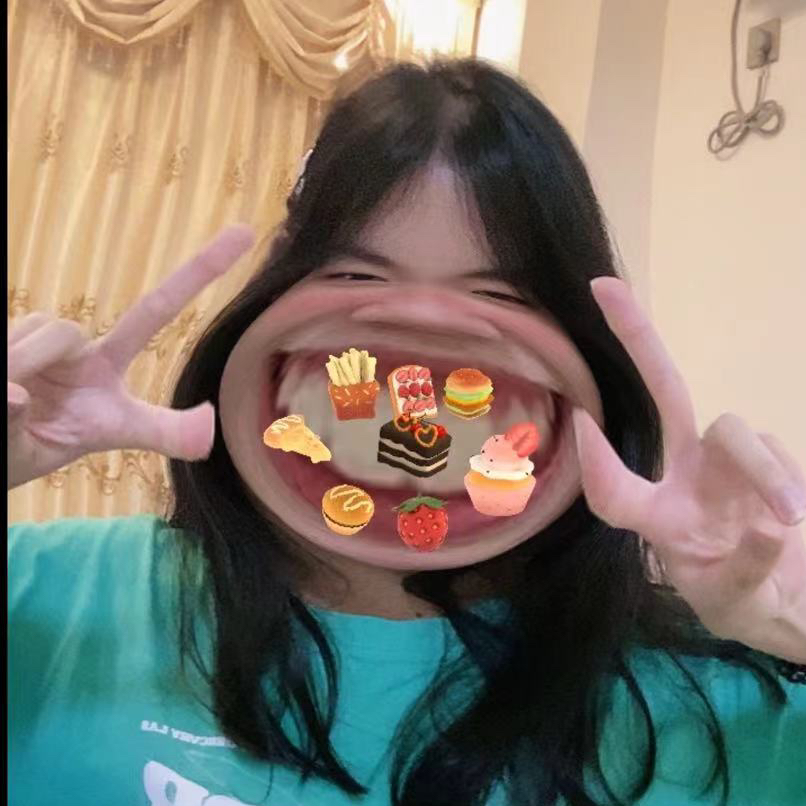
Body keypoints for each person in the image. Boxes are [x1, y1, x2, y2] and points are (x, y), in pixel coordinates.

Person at [7, 59, 806, 806]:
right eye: (356, 274)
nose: (418, 324)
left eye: (497, 295)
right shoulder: (49, 597)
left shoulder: (725, 702)